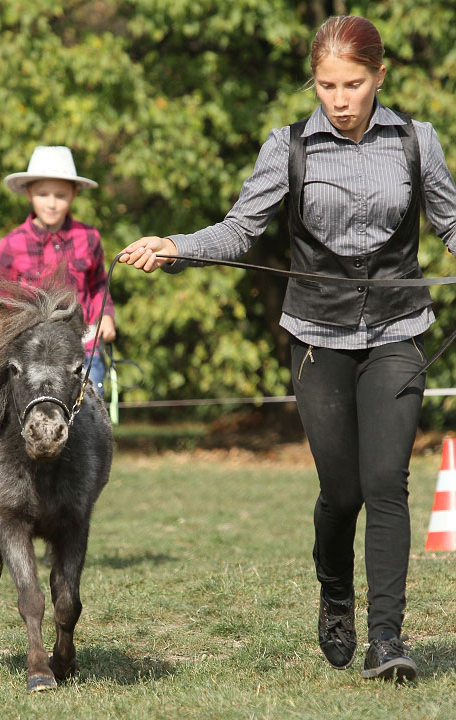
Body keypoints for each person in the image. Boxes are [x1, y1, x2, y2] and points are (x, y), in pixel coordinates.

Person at [118, 15, 456, 683]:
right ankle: (335, 590)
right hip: (316, 337)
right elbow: (241, 229)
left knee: (386, 482)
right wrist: (177, 246)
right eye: (326, 85)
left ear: (378, 78)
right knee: (341, 491)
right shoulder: (289, 145)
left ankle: (386, 638)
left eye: (353, 84)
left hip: (396, 331)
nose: (338, 99)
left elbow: (449, 220)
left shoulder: (416, 141)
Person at [0, 145, 116, 394]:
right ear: (29, 193)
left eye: (60, 195)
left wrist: (106, 316)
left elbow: (98, 286)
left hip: (83, 347)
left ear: (73, 195)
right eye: (43, 194)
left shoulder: (89, 237)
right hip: (32, 349)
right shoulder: (12, 243)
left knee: (90, 416)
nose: (51, 203)